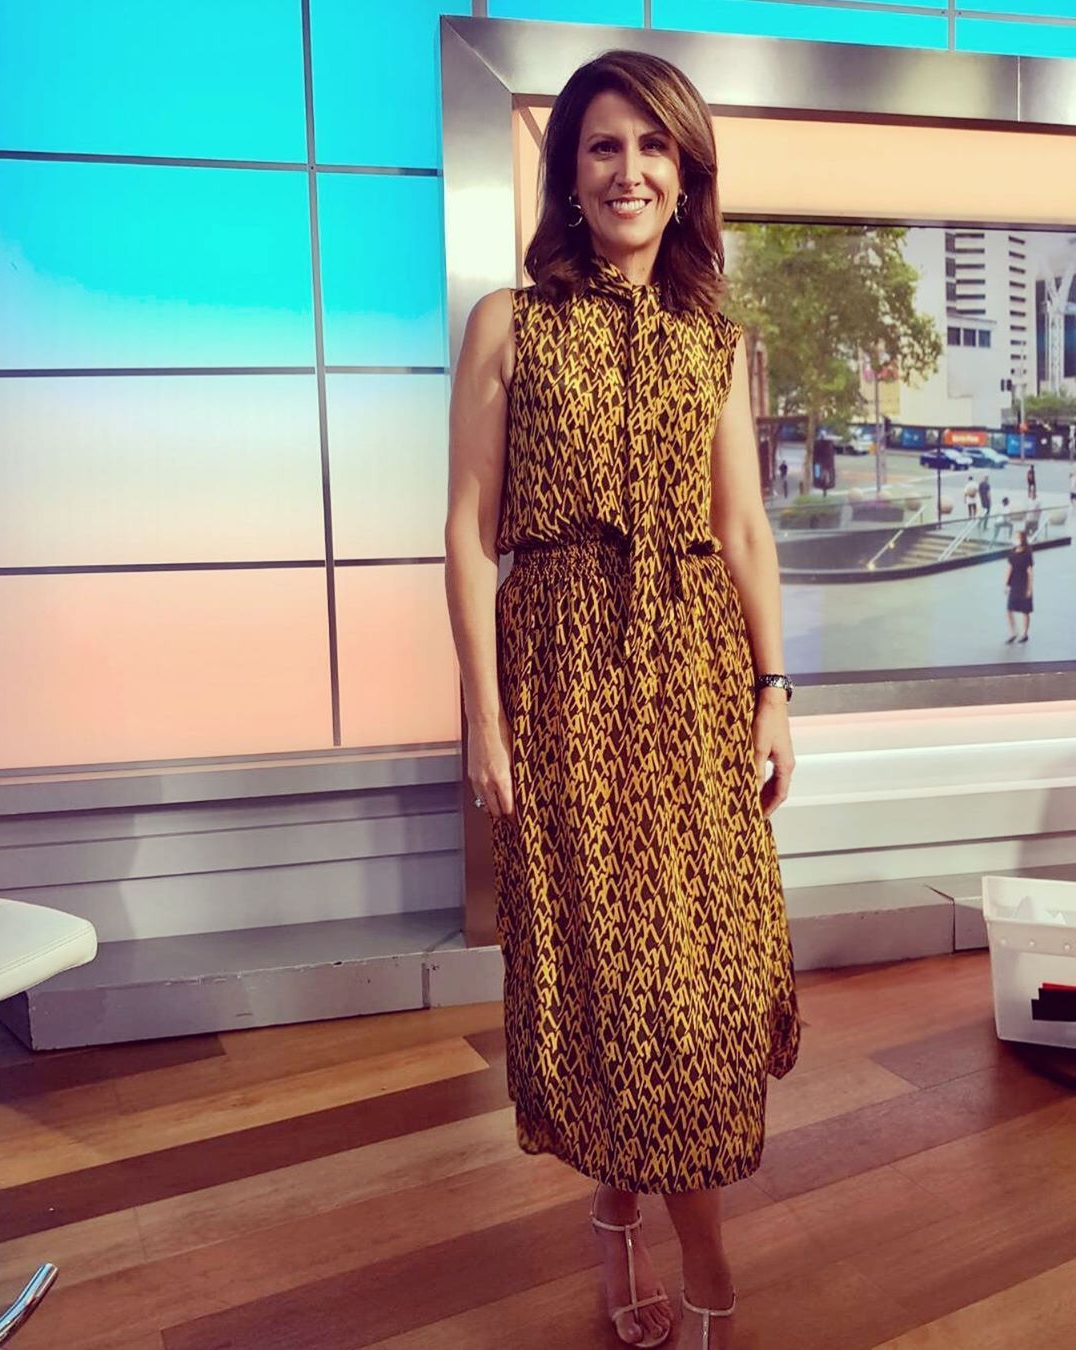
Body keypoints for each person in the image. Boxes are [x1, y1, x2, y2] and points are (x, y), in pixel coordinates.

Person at [445, 49, 800, 1349]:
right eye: (604, 145)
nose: (631, 171)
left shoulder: (717, 341)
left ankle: (639, 1219)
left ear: (686, 175)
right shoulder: (510, 323)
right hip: (562, 680)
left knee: (704, 976)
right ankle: (690, 1256)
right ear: (569, 173)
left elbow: (745, 530)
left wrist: (774, 689)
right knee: (611, 972)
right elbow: (468, 529)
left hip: (696, 680)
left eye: (656, 148)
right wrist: (484, 719)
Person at [1004, 529, 1034, 643]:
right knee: (1009, 609)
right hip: (1014, 584)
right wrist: (1006, 584)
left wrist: (1029, 588)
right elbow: (1009, 568)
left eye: (1017, 537)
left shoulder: (1027, 554)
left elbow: (1030, 572)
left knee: (1025, 611)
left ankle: (1025, 634)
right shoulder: (1012, 552)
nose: (1015, 539)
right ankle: (1013, 632)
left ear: (1022, 539)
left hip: (1024, 583)